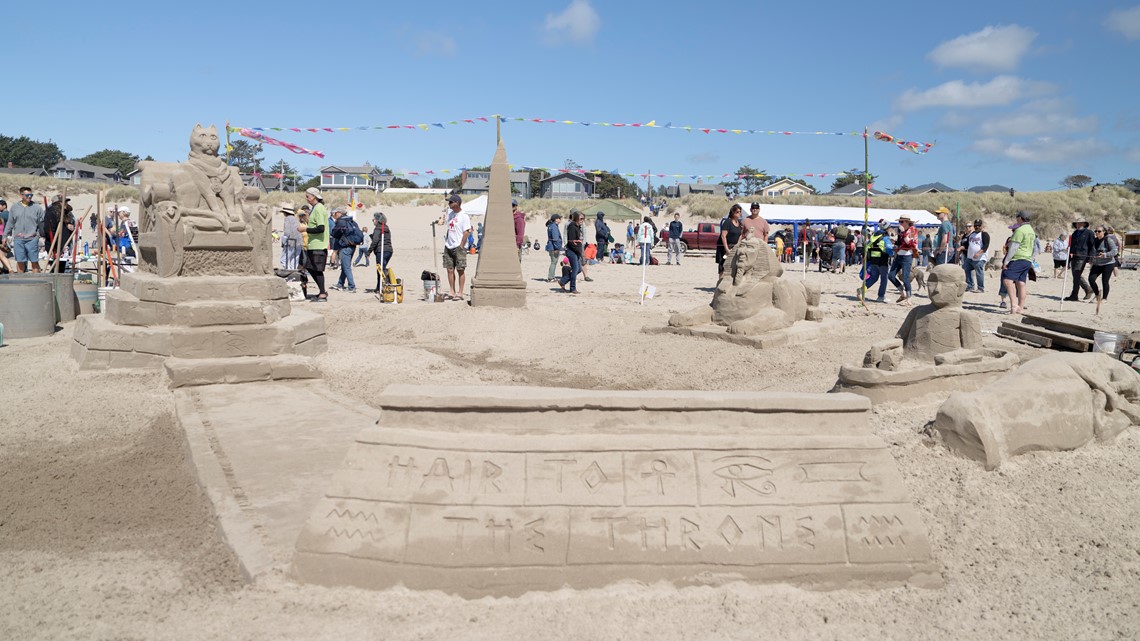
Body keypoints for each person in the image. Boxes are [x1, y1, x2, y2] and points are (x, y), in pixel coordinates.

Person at [1000, 211, 1036, 315]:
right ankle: (1021, 307)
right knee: (1021, 283)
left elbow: (1013, 247)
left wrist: (1006, 261)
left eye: (1017, 217)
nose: (1016, 219)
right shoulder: (1031, 231)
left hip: (1018, 258)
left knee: (1007, 280)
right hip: (1027, 259)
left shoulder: (1020, 230)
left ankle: (1014, 305)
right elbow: (1033, 247)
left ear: (1021, 218)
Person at [4, 187, 44, 273]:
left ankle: (36, 282)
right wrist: (5, 236)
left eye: (31, 195)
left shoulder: (37, 208)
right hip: (19, 239)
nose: (29, 197)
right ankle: (20, 281)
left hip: (32, 239)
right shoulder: (14, 207)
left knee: (34, 261)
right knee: (20, 261)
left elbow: (42, 223)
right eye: (27, 195)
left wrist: (38, 235)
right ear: (21, 195)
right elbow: (10, 223)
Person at [301, 187, 329, 302]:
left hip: (319, 245)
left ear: (313, 197)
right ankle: (322, 291)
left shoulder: (318, 208)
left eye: (307, 196)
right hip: (313, 245)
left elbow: (320, 228)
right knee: (310, 267)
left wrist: (305, 229)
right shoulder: (315, 208)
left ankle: (322, 293)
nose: (306, 199)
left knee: (317, 269)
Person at [441, 194, 472, 300]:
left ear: (457, 203)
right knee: (449, 269)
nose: (449, 204)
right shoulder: (450, 214)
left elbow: (467, 231)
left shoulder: (464, 216)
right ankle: (452, 291)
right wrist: (447, 240)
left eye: (451, 202)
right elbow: (448, 228)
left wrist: (461, 245)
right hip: (449, 245)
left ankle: (460, 292)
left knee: (460, 269)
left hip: (458, 246)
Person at [888, 215, 918, 304]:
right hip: (899, 255)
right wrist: (894, 243)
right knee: (891, 275)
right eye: (899, 222)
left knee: (905, 278)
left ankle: (909, 298)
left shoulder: (912, 230)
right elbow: (900, 242)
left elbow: (910, 244)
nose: (900, 224)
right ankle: (902, 293)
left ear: (907, 222)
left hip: (907, 256)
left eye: (902, 222)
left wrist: (904, 233)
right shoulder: (900, 231)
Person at [1064, 217, 1095, 301]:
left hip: (1083, 256)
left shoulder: (1089, 233)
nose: (1078, 225)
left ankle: (1075, 294)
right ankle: (1088, 289)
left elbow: (1092, 246)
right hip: (1074, 256)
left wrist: (1090, 258)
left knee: (1077, 275)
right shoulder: (1074, 233)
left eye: (1080, 223)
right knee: (1076, 275)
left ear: (1084, 224)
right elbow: (1071, 246)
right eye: (1077, 223)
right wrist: (1069, 259)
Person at [329, 207, 358, 293]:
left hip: (345, 246)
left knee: (346, 267)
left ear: (340, 213)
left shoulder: (341, 222)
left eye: (336, 213)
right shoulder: (352, 221)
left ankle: (352, 286)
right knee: (345, 266)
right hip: (353, 246)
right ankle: (340, 283)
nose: (334, 215)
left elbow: (334, 233)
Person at [860, 225, 893, 302]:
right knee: (884, 279)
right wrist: (892, 254)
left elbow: (867, 247)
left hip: (873, 261)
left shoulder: (873, 237)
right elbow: (889, 249)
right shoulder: (885, 238)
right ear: (887, 229)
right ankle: (881, 296)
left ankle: (862, 290)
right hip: (883, 261)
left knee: (874, 277)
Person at [959, 219, 990, 293]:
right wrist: (960, 248)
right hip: (970, 257)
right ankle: (970, 286)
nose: (977, 227)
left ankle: (980, 288)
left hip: (980, 258)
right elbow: (967, 245)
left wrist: (978, 253)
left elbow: (986, 246)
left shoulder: (984, 234)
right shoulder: (972, 234)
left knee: (979, 272)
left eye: (978, 226)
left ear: (981, 226)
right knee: (966, 269)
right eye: (975, 225)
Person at [1088, 224, 1118, 302]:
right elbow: (1092, 251)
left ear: (1104, 232)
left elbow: (1115, 251)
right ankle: (1097, 295)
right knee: (1091, 279)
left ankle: (1104, 298)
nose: (1097, 233)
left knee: (1105, 281)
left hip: (1108, 264)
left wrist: (1105, 255)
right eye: (1096, 231)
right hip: (1097, 264)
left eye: (1099, 231)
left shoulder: (1108, 240)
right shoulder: (1094, 240)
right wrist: (1091, 259)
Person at [366, 211, 394, 294]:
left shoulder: (379, 228)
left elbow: (375, 241)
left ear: (377, 220)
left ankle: (382, 287)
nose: (373, 221)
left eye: (373, 219)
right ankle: (379, 287)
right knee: (382, 269)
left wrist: (369, 251)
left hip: (382, 251)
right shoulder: (386, 228)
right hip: (388, 250)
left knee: (380, 270)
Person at [559, 210, 584, 293]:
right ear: (576, 218)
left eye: (583, 219)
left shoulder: (578, 227)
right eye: (581, 219)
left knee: (579, 269)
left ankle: (563, 281)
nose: (582, 220)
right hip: (572, 251)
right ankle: (573, 288)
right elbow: (572, 242)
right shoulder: (572, 226)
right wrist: (579, 252)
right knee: (575, 269)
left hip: (576, 251)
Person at [716, 204, 743, 274]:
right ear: (733, 213)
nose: (739, 213)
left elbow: (740, 235)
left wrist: (737, 246)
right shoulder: (728, 222)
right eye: (737, 212)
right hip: (724, 249)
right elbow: (723, 236)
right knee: (723, 267)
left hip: (734, 248)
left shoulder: (739, 223)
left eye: (740, 212)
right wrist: (727, 249)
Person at [280, 203, 303, 270]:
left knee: (284, 260)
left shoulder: (287, 219)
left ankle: (289, 273)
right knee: (294, 260)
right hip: (299, 242)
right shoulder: (295, 219)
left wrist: (283, 242)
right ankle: (293, 274)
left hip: (291, 242)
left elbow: (287, 232)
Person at [545, 212, 564, 281]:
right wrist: (557, 248)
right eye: (559, 218)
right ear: (556, 219)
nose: (560, 220)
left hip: (551, 246)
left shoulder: (551, 225)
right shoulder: (554, 226)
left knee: (553, 262)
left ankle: (551, 276)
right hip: (553, 247)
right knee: (553, 262)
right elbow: (555, 238)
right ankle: (551, 277)